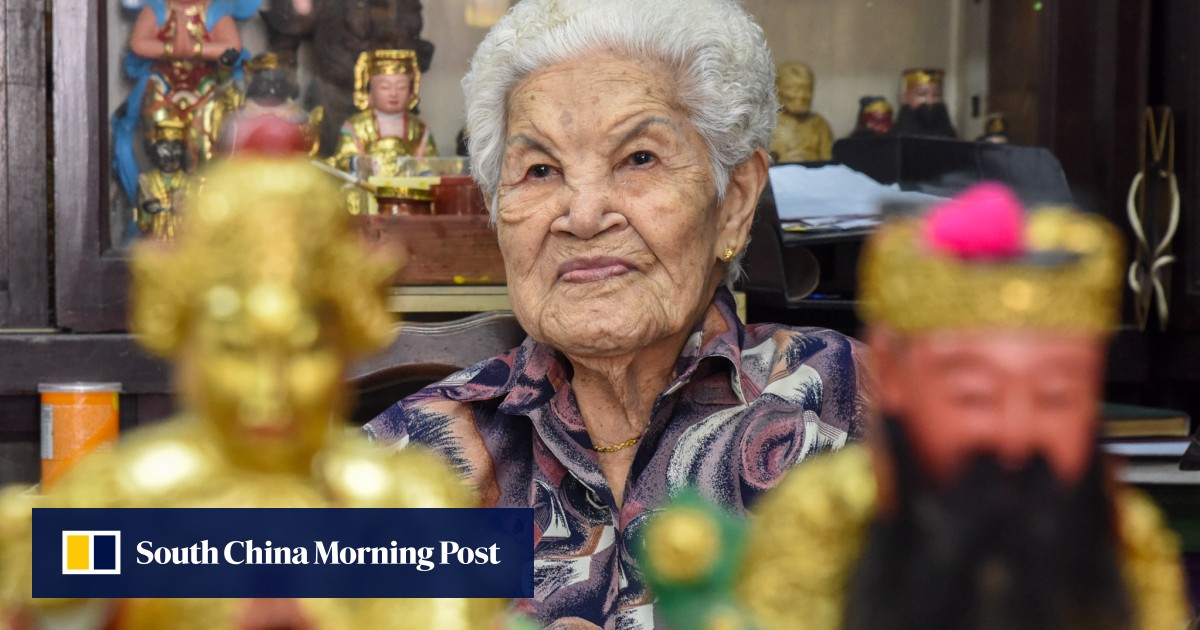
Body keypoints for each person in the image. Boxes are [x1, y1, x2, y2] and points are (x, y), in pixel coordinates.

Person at [363, 0, 871, 627]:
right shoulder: (411, 459)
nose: (582, 215)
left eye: (638, 159)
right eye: (540, 170)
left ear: (735, 201)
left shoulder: (857, 410)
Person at [641, 183, 1190, 630]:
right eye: (974, 396)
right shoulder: (822, 526)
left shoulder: (1131, 548)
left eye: (1056, 397)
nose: (1016, 435)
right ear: (897, 378)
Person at [0, 148, 508, 629]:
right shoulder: (111, 506)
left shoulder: (411, 510)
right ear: (187, 345)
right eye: (237, 350)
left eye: (305, 350)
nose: (269, 393)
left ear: (344, 347)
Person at [328, 49, 437, 175]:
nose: (393, 94)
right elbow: (343, 159)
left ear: (411, 92)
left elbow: (432, 163)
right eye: (385, 87)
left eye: (401, 87)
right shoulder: (355, 127)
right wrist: (358, 162)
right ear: (371, 92)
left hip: (407, 188)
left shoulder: (419, 129)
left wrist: (420, 166)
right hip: (368, 188)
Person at [135, 116, 189, 241]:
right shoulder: (147, 181)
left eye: (174, 154)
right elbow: (142, 222)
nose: (169, 160)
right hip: (154, 242)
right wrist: (147, 206)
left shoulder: (189, 182)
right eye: (164, 153)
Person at [769, 61, 835, 162]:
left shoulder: (819, 125)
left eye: (807, 89)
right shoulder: (768, 124)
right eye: (795, 90)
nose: (802, 96)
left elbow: (828, 161)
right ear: (778, 89)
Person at [893, 68, 957, 139]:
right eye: (922, 94)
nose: (930, 101)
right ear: (906, 97)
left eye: (936, 95)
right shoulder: (896, 134)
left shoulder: (948, 131)